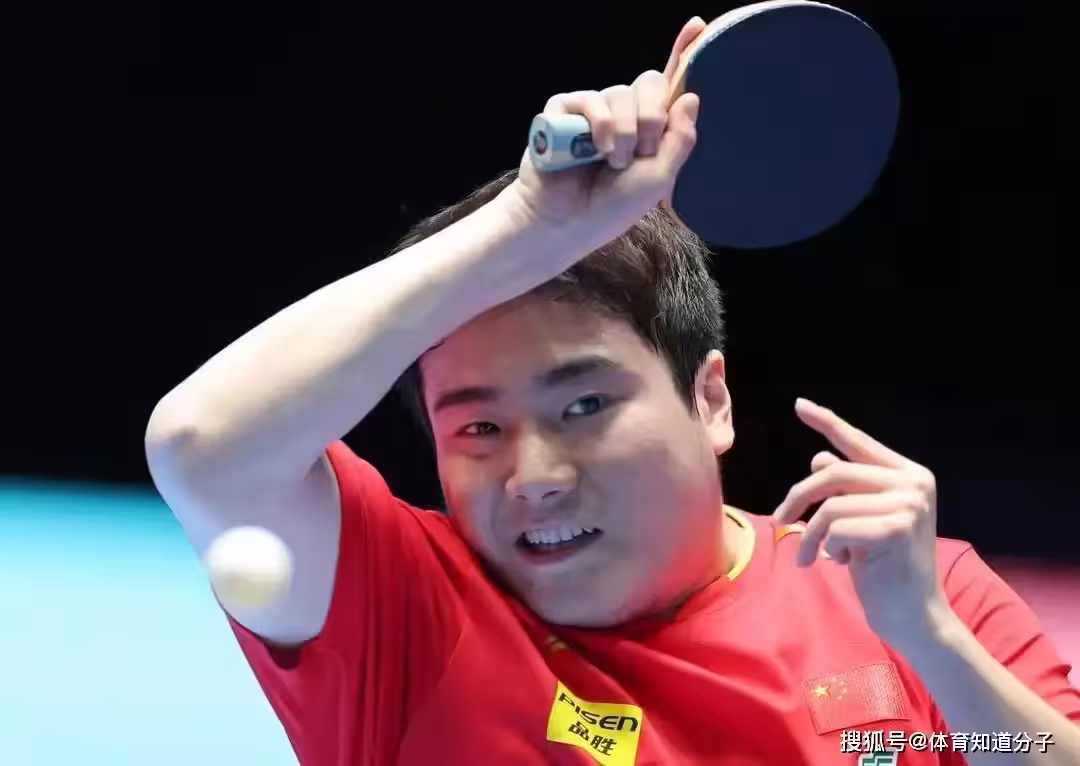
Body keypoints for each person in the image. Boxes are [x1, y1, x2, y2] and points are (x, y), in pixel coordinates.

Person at [145, 18, 1080, 766]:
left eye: (583, 406)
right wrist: (525, 225)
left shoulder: (913, 594)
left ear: (710, 401)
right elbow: (201, 444)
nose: (535, 475)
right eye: (478, 427)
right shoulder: (404, 615)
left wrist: (932, 640)